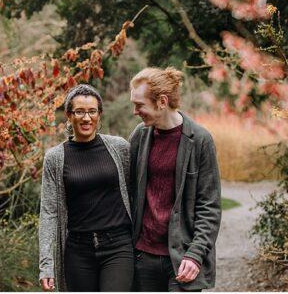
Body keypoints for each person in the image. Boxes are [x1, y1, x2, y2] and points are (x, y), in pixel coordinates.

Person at [127, 67, 221, 291]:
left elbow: (209, 205)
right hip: (143, 257)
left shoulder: (200, 140)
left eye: (139, 105)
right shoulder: (139, 136)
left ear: (161, 101)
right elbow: (126, 191)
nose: (134, 111)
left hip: (182, 259)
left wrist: (196, 254)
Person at [38, 84, 134, 291]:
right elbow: (48, 212)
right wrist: (46, 264)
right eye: (79, 111)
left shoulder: (120, 148)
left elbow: (137, 192)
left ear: (99, 114)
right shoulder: (55, 158)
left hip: (118, 247)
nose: (86, 118)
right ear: (68, 115)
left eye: (92, 111)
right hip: (78, 251)